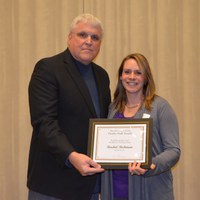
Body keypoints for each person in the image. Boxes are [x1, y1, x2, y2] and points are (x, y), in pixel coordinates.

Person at [27, 13, 111, 200]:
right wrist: (71, 156)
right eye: (83, 35)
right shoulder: (48, 68)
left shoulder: (102, 76)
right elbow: (44, 123)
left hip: (91, 184)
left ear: (100, 44)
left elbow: (105, 123)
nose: (89, 41)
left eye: (95, 37)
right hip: (54, 184)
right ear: (70, 37)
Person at [101, 53, 180, 200]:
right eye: (127, 72)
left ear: (146, 78)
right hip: (115, 189)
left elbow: (173, 151)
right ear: (120, 76)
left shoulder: (160, 107)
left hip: (149, 190)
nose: (132, 77)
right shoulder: (113, 108)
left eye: (138, 73)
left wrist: (150, 165)